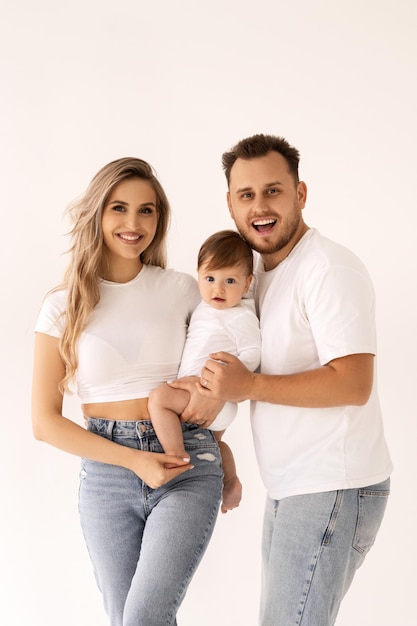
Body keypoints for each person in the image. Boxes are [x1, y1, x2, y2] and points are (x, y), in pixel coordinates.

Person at [193, 134, 393, 625]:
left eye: (273, 191)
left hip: (332, 485)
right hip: (293, 485)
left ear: (300, 194)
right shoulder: (257, 276)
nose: (260, 207)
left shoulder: (327, 268)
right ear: (230, 205)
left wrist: (247, 387)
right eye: (247, 195)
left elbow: (353, 383)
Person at [31, 157, 224, 626]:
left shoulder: (184, 289)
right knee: (126, 619)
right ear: (98, 213)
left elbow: (231, 344)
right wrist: (133, 460)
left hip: (185, 459)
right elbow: (44, 422)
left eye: (147, 210)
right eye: (119, 208)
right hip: (106, 473)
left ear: (160, 219)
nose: (133, 223)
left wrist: (219, 392)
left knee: (144, 617)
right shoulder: (64, 304)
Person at [148, 229, 261, 513]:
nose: (218, 289)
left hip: (214, 394)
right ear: (198, 274)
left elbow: (253, 353)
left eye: (230, 281)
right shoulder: (203, 307)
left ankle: (175, 455)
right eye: (210, 279)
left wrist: (220, 383)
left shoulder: (241, 316)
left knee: (159, 399)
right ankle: (231, 481)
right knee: (214, 443)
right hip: (209, 400)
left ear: (248, 284)